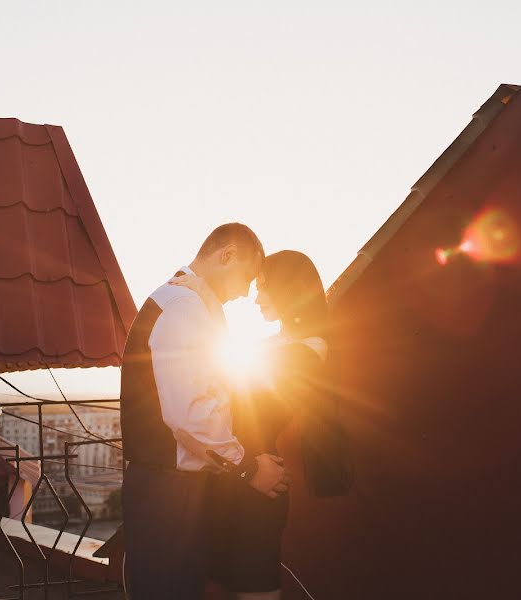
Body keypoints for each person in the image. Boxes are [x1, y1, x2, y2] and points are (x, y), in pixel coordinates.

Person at [120, 224, 291, 600]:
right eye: (246, 276)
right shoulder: (185, 308)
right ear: (226, 256)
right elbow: (189, 413)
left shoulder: (184, 303)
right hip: (168, 490)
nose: (246, 292)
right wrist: (247, 466)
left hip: (171, 486)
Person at [171, 250, 351, 600]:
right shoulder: (269, 346)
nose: (255, 297)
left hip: (256, 486)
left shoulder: (311, 348)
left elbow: (246, 406)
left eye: (264, 286)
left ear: (288, 289)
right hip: (234, 476)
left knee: (256, 588)